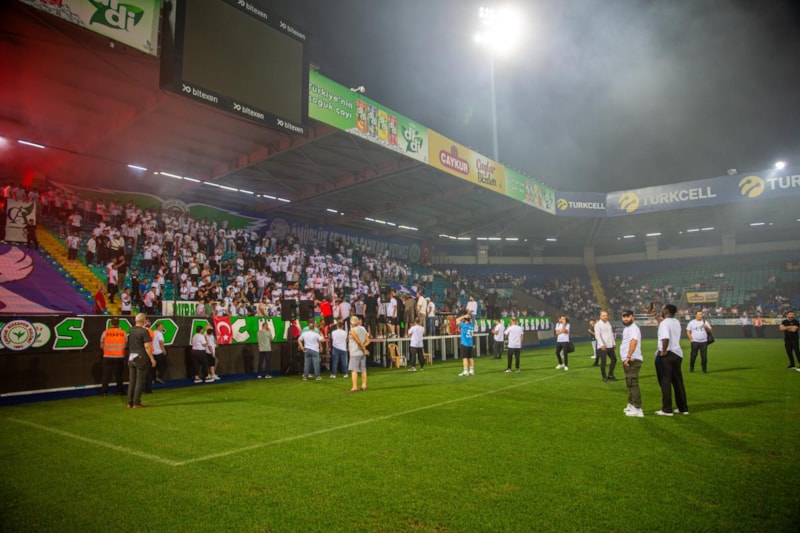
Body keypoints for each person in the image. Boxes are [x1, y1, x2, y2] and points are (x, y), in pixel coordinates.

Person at [655, 304, 689, 416]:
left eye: (663, 308)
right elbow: (663, 323)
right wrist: (655, 315)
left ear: (666, 310)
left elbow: (665, 338)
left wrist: (663, 351)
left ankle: (667, 409)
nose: (661, 310)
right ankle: (683, 408)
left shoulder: (664, 323)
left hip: (666, 355)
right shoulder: (676, 322)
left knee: (665, 382)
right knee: (678, 382)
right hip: (677, 354)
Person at [126, 313, 155, 409]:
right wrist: (152, 358)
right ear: (144, 321)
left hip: (131, 356)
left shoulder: (131, 330)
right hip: (141, 357)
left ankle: (129, 402)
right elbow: (147, 346)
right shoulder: (144, 331)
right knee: (139, 381)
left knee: (132, 381)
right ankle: (136, 403)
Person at [620, 310, 644, 418]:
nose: (625, 319)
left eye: (627, 316)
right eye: (624, 317)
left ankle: (637, 408)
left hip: (632, 359)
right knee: (629, 383)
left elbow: (634, 342)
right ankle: (631, 404)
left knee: (633, 383)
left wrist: (628, 356)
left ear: (632, 317)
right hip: (628, 359)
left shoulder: (633, 328)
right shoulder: (627, 328)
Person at [99, 317, 126, 396]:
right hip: (119, 356)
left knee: (106, 375)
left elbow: (101, 345)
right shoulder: (123, 332)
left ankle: (103, 392)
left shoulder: (105, 332)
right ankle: (120, 391)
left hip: (107, 356)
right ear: (118, 323)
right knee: (119, 375)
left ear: (111, 323)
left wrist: (107, 350)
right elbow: (125, 345)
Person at [348, 316, 370, 391]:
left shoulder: (352, 331)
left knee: (354, 370)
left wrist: (363, 348)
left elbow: (357, 341)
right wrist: (364, 348)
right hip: (362, 353)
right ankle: (364, 385)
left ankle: (354, 387)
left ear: (351, 323)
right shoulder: (363, 329)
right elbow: (368, 340)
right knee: (363, 369)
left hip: (355, 352)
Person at [595, 311, 617, 381]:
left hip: (610, 345)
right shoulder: (597, 325)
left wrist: (614, 343)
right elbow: (597, 336)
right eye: (604, 315)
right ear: (600, 316)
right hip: (602, 347)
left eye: (606, 315)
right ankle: (604, 377)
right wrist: (602, 344)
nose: (605, 317)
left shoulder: (608, 323)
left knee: (614, 359)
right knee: (603, 362)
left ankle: (610, 375)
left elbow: (611, 334)